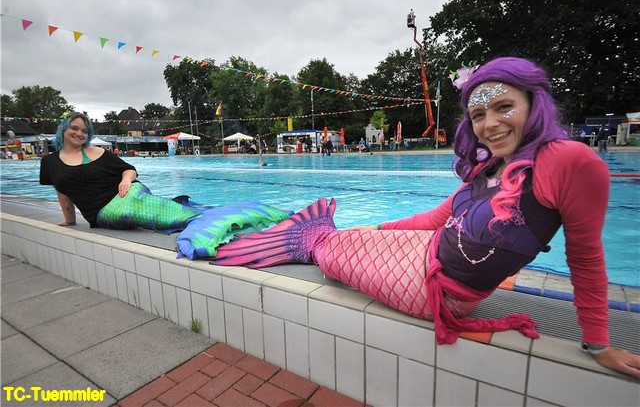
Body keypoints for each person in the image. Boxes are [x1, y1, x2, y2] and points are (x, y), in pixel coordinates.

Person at [210, 57, 640, 379]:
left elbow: (585, 258)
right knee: (346, 238)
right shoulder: (494, 165)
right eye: (478, 115)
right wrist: (375, 228)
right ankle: (322, 233)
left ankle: (302, 237)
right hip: (429, 251)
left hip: (440, 289)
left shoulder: (569, 162)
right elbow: (438, 218)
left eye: (504, 107)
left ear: (533, 102)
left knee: (322, 246)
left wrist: (599, 343)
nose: (489, 124)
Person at [39, 112, 201, 230]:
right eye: (74, 128)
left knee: (146, 204)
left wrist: (126, 180)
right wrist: (70, 220)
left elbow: (129, 170)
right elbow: (62, 192)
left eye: (84, 131)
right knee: (138, 212)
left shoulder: (98, 152)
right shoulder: (49, 162)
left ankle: (200, 218)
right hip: (102, 212)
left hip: (127, 191)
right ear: (63, 130)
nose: (79, 133)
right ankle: (198, 218)